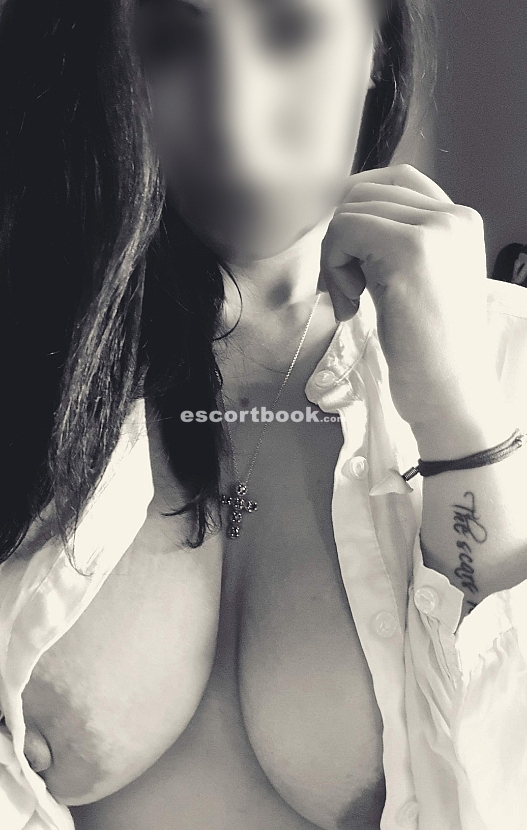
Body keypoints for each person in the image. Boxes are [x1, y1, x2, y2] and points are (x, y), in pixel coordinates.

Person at [0, 1, 526, 829]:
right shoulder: (27, 362)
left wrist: (454, 409)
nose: (235, 123)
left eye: (291, 32)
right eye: (172, 42)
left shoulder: (508, 360)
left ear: (378, 50)